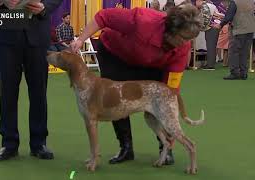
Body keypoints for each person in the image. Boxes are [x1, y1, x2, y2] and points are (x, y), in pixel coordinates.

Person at [71, 2, 201, 165]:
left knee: (161, 102)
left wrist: (171, 121)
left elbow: (171, 87)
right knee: (114, 99)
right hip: (116, 54)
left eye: (189, 39)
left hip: (151, 63)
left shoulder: (182, 49)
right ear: (171, 30)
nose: (186, 43)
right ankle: (126, 148)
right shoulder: (142, 20)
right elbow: (103, 17)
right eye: (183, 37)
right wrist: (80, 40)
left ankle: (165, 149)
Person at [0, 0, 63, 161]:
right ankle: (9, 143)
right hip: (5, 33)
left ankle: (39, 143)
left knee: (39, 92)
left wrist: (45, 7)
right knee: (7, 92)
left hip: (37, 32)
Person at [214, 0, 255, 80]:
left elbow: (229, 16)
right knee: (244, 52)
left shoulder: (234, 2)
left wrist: (220, 25)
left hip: (238, 30)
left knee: (234, 51)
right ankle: (243, 73)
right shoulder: (251, 1)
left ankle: (235, 73)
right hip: (250, 30)